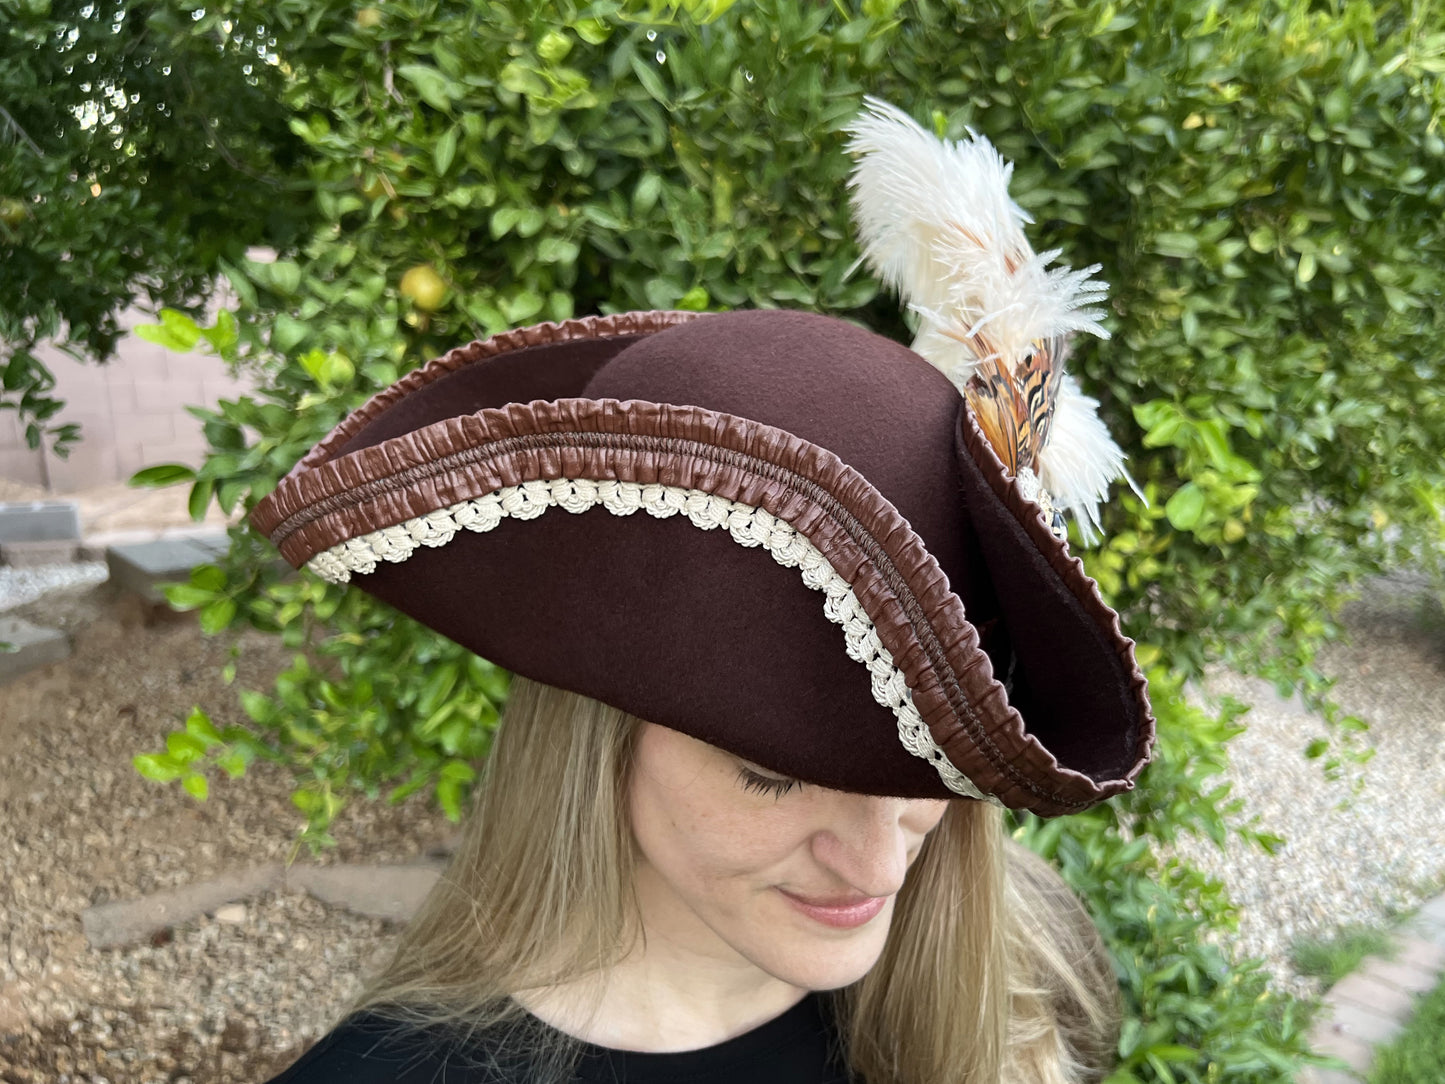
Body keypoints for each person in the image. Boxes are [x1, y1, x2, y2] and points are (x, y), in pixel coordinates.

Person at [251, 99, 1154, 1083]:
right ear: (598, 730)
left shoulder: (1021, 989)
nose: (876, 863)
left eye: (924, 767)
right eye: (770, 771)